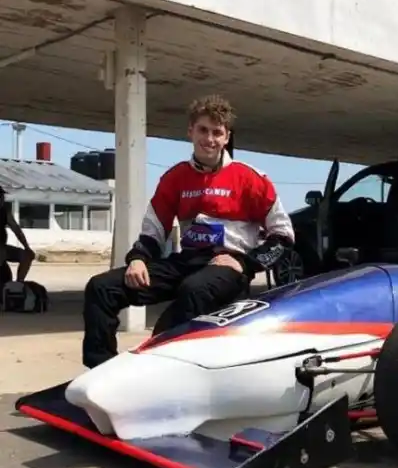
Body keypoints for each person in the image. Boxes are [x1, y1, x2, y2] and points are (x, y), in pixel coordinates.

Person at [81, 95, 295, 369]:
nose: (210, 139)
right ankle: (101, 371)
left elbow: (284, 236)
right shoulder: (174, 178)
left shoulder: (252, 178)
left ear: (226, 137)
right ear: (190, 132)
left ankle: (151, 366)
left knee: (192, 290)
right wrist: (138, 258)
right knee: (102, 287)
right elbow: (153, 231)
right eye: (203, 130)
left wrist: (246, 263)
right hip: (188, 261)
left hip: (227, 268)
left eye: (217, 133)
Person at [0, 186, 36, 283]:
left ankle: (18, 284)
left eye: (2, 196)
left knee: (27, 256)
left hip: (3, 248)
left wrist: (27, 247)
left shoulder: (5, 212)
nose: (2, 198)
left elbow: (16, 230)